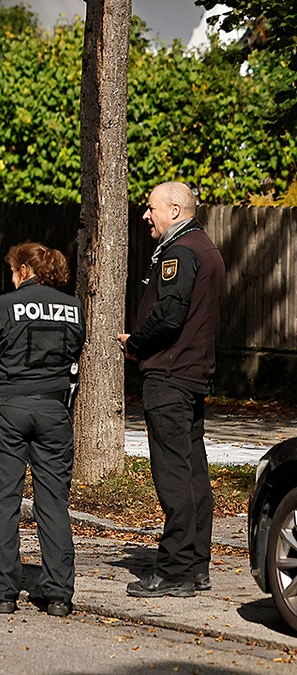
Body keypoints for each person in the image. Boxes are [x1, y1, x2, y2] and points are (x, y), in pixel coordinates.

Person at [118, 181, 225, 598]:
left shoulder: (179, 252)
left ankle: (175, 568)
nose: (146, 215)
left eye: (151, 208)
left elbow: (169, 315)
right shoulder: (206, 247)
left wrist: (136, 344)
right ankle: (196, 566)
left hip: (170, 375)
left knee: (173, 475)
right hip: (193, 374)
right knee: (194, 472)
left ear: (176, 210)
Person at [0, 243, 85, 617]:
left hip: (11, 406)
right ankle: (58, 594)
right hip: (54, 409)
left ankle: (3, 591)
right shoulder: (72, 308)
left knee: (2, 499)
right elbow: (75, 351)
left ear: (23, 269)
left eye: (12, 270)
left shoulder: (2, 306)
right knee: (53, 501)